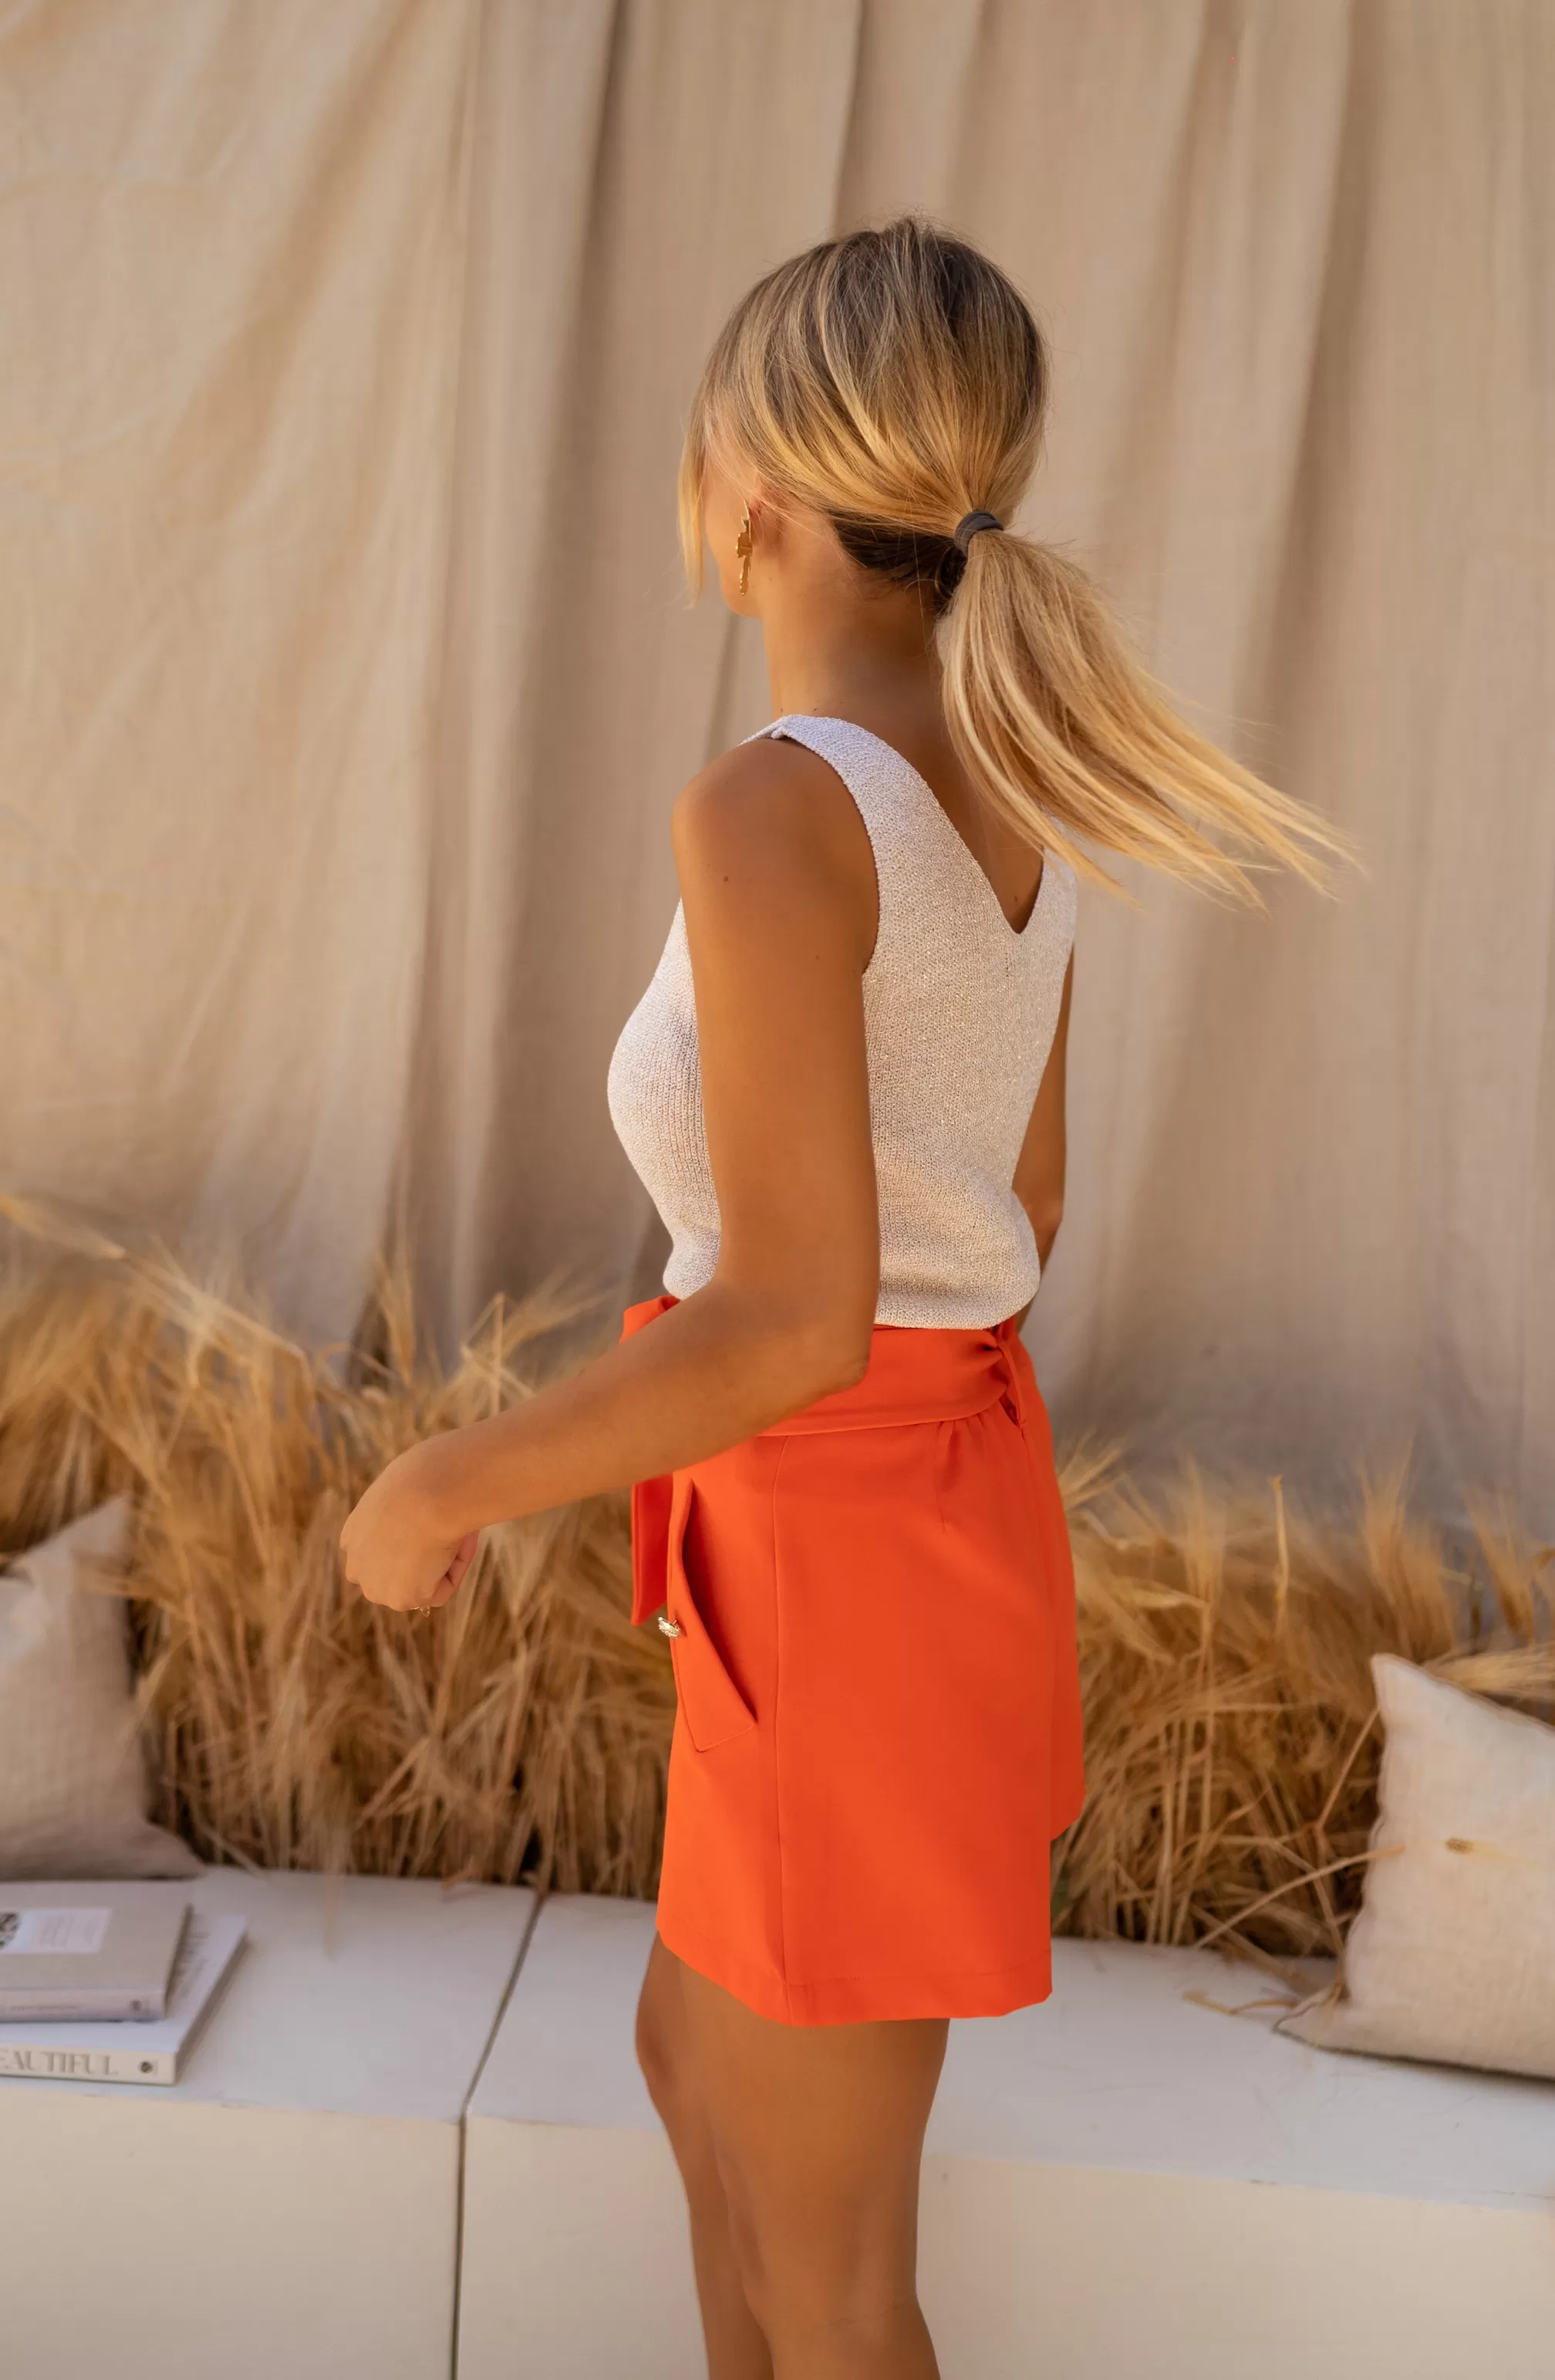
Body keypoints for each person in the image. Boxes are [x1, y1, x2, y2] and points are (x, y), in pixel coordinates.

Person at [341, 216, 1344, 2380]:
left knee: (829, 2264)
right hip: (874, 1532)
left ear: (754, 482)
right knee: (701, 2085)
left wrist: (443, 1482)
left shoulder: (781, 806)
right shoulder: (1013, 785)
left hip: (836, 1537)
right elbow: (1019, 1203)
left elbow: (799, 1313)